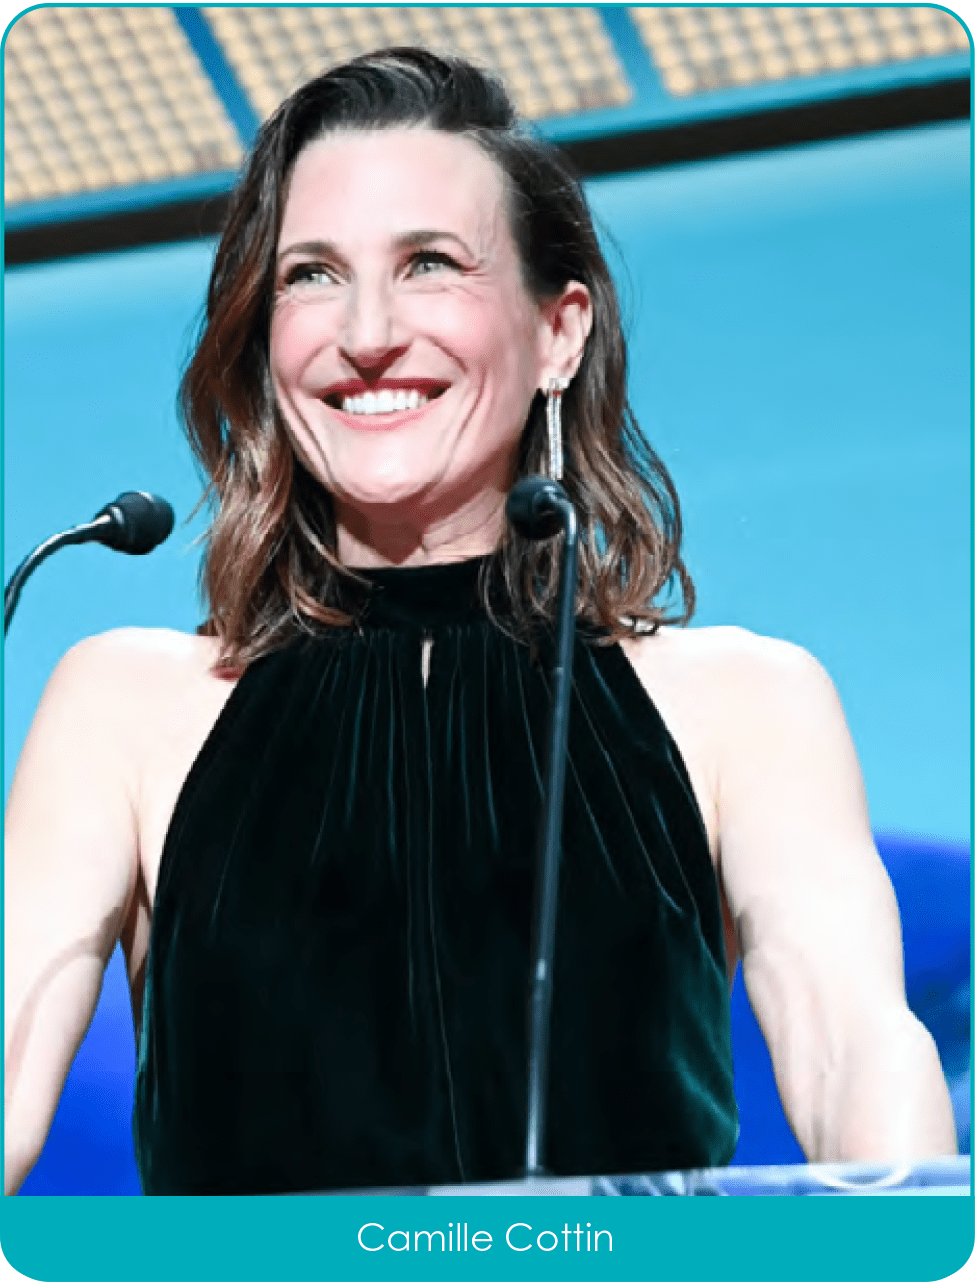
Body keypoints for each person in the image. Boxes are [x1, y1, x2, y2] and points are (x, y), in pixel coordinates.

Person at [4, 48, 956, 1196]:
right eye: (311, 275)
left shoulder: (748, 703)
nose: (366, 332)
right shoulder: (124, 705)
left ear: (559, 330)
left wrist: (915, 1227)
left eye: (430, 264)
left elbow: (854, 1046)